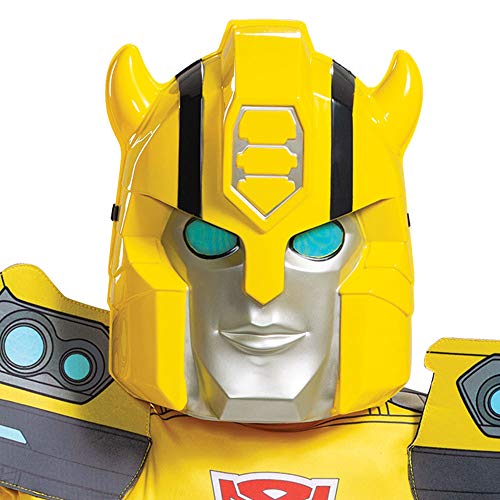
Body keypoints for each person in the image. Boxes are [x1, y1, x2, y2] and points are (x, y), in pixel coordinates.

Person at [0, 20, 498, 500]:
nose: (262, 288)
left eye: (317, 241)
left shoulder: (456, 455)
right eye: (211, 239)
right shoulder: (63, 438)